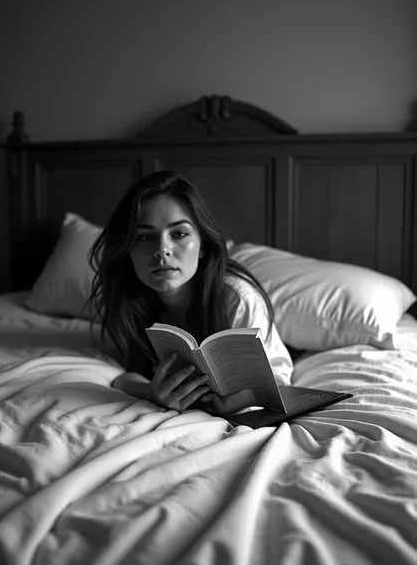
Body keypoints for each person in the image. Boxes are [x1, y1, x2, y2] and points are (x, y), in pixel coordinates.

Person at [88, 170, 293, 415]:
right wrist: (151, 393)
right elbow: (124, 373)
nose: (162, 250)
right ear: (127, 249)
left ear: (203, 246)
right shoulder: (126, 299)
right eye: (144, 237)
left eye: (179, 234)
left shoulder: (238, 299)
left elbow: (278, 380)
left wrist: (241, 400)